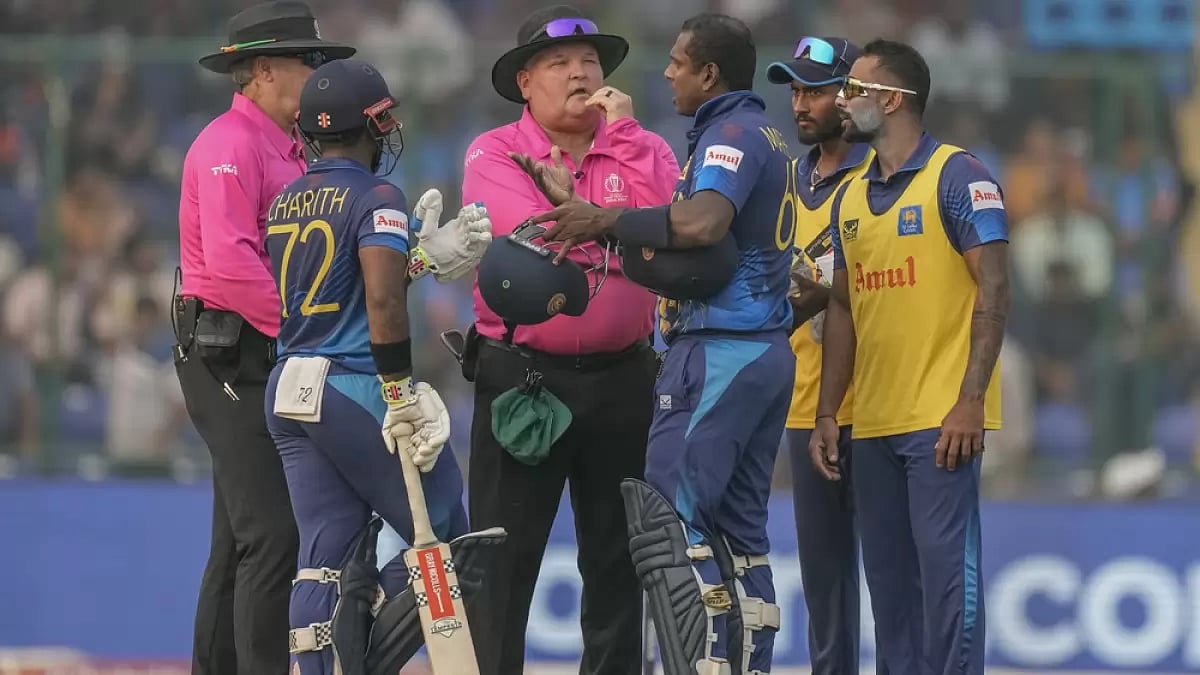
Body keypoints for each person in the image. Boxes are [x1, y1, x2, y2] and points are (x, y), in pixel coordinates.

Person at [525, 13, 795, 674]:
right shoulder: (767, 135)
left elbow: (703, 227)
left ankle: (692, 663)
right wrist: (608, 227)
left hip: (720, 350)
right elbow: (676, 249)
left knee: (669, 527)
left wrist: (606, 218)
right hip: (763, 351)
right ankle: (745, 663)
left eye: (678, 61)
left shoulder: (730, 135)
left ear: (710, 73)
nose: (667, 72)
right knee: (741, 537)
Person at [458, 5, 678, 673]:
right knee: (502, 561)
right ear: (526, 81)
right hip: (523, 378)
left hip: (626, 378)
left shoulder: (646, 146)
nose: (581, 73)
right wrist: (625, 237)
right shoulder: (495, 152)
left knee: (617, 563)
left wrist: (629, 139)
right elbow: (536, 245)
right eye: (560, 63)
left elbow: (672, 232)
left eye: (591, 62)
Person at [262, 57, 500, 674]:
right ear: (365, 124)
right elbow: (381, 298)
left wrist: (417, 257)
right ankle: (365, 661)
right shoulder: (377, 194)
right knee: (449, 541)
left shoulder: (287, 199)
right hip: (354, 386)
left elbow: (338, 289)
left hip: (290, 385)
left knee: (325, 554)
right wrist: (399, 389)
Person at [809, 38, 1008, 675]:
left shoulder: (959, 175)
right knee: (890, 595)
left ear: (892, 100)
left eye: (855, 90)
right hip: (872, 425)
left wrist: (971, 400)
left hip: (941, 421)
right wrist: (828, 413)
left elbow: (996, 285)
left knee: (950, 589)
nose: (842, 100)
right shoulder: (850, 196)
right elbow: (842, 307)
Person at [175, 3, 354, 672]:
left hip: (263, 351)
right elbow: (228, 264)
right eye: (307, 62)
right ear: (261, 70)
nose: (317, 74)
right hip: (229, 352)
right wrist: (315, 328)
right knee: (273, 534)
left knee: (240, 537)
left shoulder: (288, 149)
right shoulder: (230, 145)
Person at [765, 36, 870, 675]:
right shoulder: (786, 178)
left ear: (853, 96)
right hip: (808, 404)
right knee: (825, 582)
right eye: (797, 89)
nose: (802, 103)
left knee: (896, 574)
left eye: (818, 89)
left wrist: (823, 290)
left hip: (883, 403)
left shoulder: (883, 178)